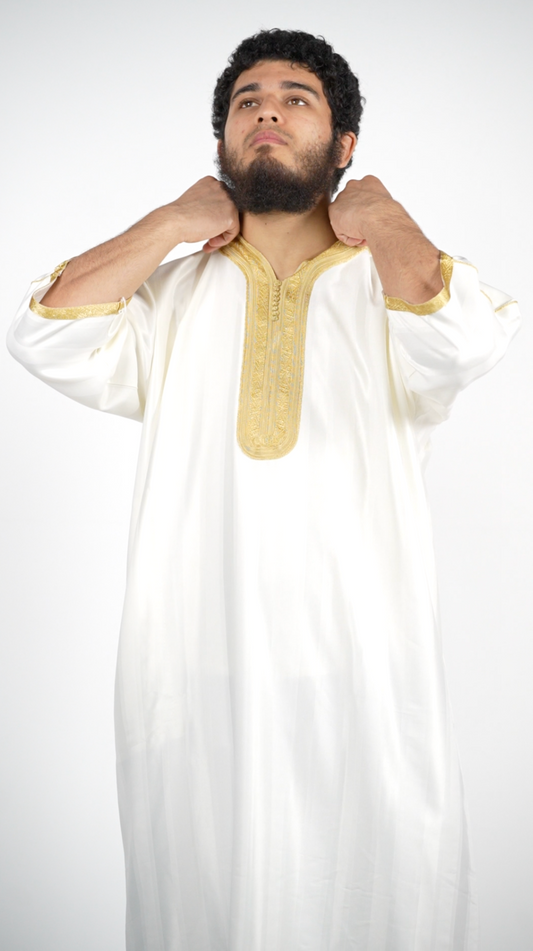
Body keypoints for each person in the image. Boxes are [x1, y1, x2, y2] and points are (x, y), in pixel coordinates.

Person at [7, 27, 521, 951]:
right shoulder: (170, 295)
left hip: (362, 672)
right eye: (246, 102)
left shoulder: (394, 282)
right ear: (222, 142)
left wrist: (385, 218)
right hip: (195, 675)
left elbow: (462, 341)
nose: (266, 113)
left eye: (295, 99)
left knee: (370, 901)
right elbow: (45, 332)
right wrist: (169, 223)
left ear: (344, 142)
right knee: (202, 905)